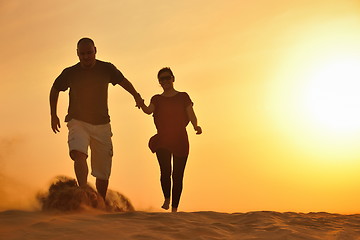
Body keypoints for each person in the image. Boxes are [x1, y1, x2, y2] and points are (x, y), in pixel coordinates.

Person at [49, 37, 143, 201]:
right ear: (77, 53)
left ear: (95, 51)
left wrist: (136, 96)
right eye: (82, 53)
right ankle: (83, 191)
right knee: (79, 153)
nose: (86, 57)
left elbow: (123, 82)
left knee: (102, 171)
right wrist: (53, 114)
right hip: (77, 120)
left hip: (102, 125)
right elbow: (55, 89)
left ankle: (100, 201)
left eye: (89, 53)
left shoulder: (107, 68)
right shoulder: (70, 72)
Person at [139, 67, 202, 212]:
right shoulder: (157, 99)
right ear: (159, 82)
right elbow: (149, 110)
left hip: (180, 139)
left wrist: (196, 126)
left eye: (168, 78)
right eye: (162, 79)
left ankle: (174, 208)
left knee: (178, 175)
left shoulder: (183, 96)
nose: (165, 81)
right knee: (165, 171)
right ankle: (167, 198)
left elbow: (191, 113)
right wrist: (140, 103)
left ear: (173, 78)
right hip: (163, 139)